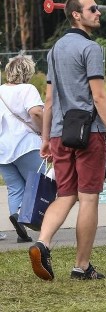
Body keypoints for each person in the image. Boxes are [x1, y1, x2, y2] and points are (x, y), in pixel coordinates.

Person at [29, 0, 106, 281]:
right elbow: (98, 95)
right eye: (92, 9)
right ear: (76, 15)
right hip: (88, 133)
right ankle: (81, 266)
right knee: (88, 198)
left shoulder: (55, 49)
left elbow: (49, 100)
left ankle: (42, 242)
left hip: (59, 132)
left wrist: (45, 137)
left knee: (65, 194)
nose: (99, 13)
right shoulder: (90, 48)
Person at [0, 55, 44, 243]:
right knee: (38, 184)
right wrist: (43, 131)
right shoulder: (28, 89)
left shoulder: (0, 91)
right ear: (27, 72)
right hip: (26, 145)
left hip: (3, 149)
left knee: (15, 188)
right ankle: (26, 217)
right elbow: (35, 111)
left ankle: (20, 228)